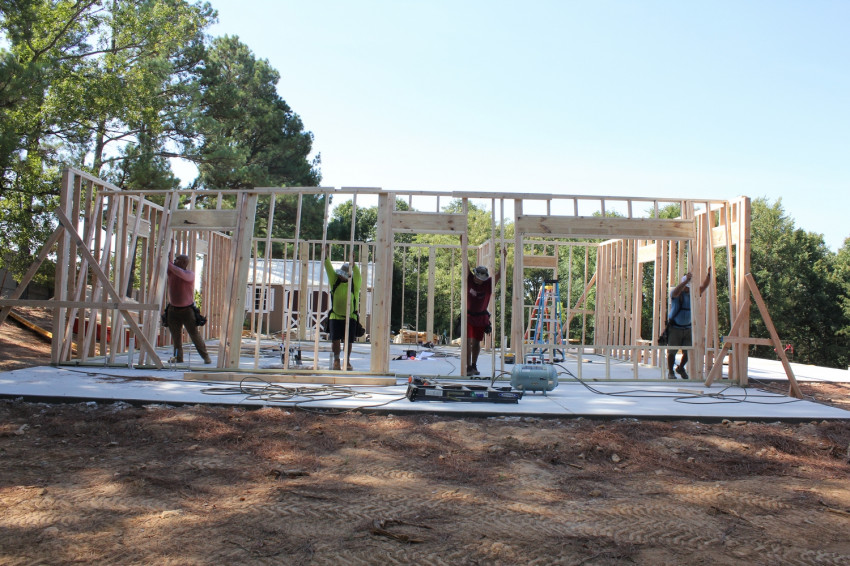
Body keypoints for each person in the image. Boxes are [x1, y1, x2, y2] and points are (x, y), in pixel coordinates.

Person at [166, 252, 211, 364]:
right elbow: (168, 266)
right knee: (176, 337)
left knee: (194, 335)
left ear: (183, 263)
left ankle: (206, 357)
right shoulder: (172, 273)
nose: (174, 261)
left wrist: (167, 262)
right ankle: (178, 358)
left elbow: (175, 269)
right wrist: (169, 251)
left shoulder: (189, 274)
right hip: (172, 310)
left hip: (187, 311)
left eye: (177, 259)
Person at [667, 268, 711, 379]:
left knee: (688, 351)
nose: (688, 289)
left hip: (687, 328)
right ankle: (671, 372)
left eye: (689, 287)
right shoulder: (677, 294)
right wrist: (686, 281)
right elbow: (675, 292)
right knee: (672, 351)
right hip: (675, 328)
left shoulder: (693, 294)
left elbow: (704, 286)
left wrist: (709, 275)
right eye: (686, 287)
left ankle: (680, 368)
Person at [324, 248, 362, 371]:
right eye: (340, 274)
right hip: (335, 316)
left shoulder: (354, 284)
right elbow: (328, 268)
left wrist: (353, 263)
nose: (341, 276)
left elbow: (358, 275)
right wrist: (325, 256)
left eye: (344, 275)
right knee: (335, 340)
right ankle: (336, 360)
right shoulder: (335, 281)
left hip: (350, 317)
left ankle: (347, 361)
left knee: (348, 341)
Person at [466, 265, 500, 377]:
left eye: (480, 279)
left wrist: (504, 258)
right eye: (476, 277)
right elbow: (466, 265)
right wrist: (463, 253)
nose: (477, 280)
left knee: (476, 342)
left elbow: (499, 274)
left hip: (480, 317)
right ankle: (468, 367)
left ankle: (474, 365)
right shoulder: (469, 279)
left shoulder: (488, 284)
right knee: (468, 341)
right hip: (468, 316)